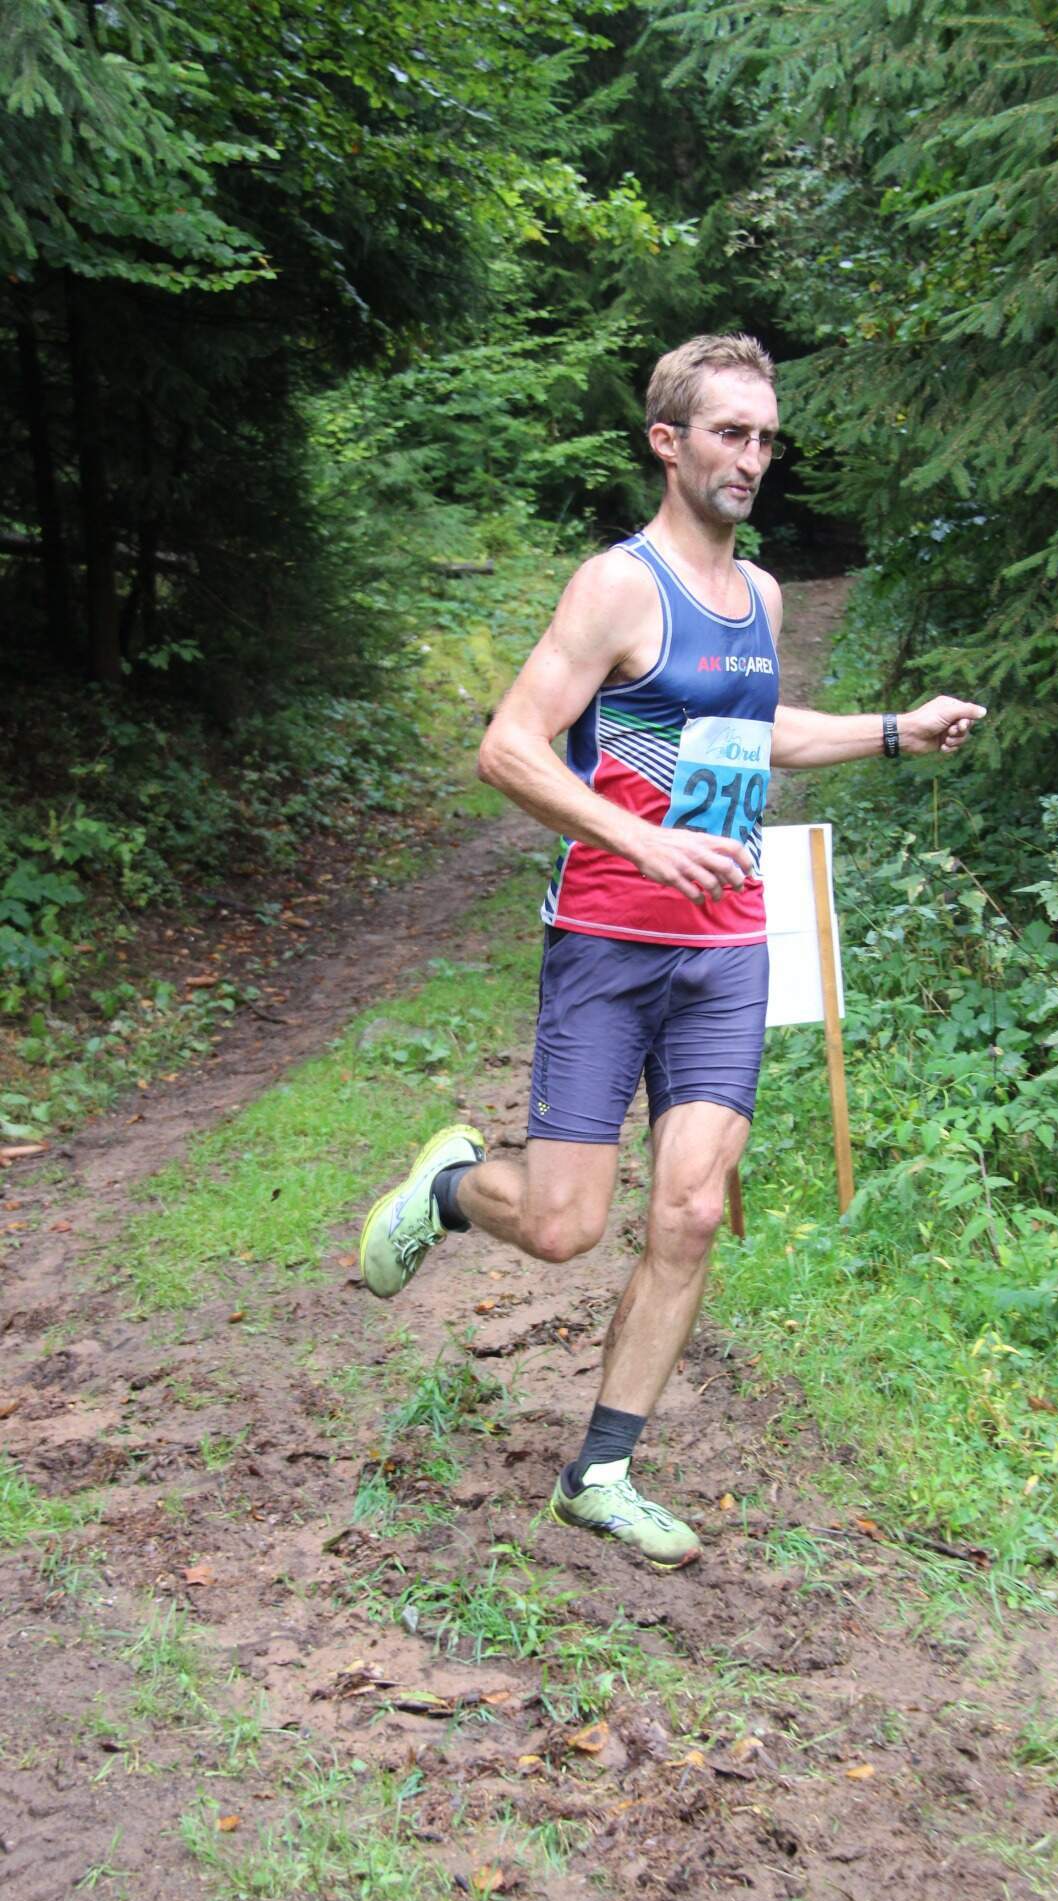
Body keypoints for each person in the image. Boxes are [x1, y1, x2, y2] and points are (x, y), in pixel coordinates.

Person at [359, 333, 985, 1571]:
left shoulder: (759, 596)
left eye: (765, 437)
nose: (752, 456)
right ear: (668, 441)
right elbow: (509, 747)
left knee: (692, 1207)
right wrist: (641, 841)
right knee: (562, 1227)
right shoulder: (617, 585)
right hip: (607, 938)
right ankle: (450, 1188)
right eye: (729, 433)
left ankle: (600, 1471)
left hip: (725, 948)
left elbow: (755, 730)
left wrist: (893, 731)